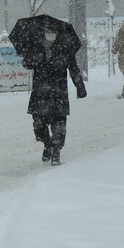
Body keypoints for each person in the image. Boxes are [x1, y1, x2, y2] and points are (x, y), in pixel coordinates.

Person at [28, 26, 87, 166]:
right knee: (38, 125)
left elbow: (73, 68)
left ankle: (56, 151)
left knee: (59, 126)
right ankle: (47, 144)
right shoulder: (37, 47)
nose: (51, 34)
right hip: (40, 94)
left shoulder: (66, 49)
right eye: (48, 31)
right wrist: (33, 57)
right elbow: (27, 63)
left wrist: (80, 86)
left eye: (53, 32)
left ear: (58, 33)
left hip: (58, 93)